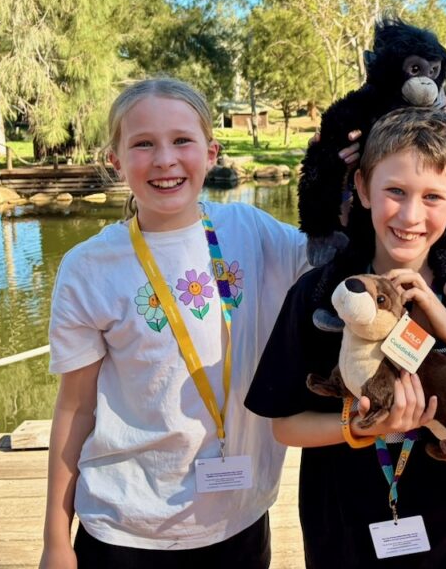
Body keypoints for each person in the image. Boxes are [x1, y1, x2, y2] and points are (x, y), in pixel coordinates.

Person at [39, 77, 352, 568]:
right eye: (143, 144)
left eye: (182, 140)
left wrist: (347, 165)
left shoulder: (254, 232)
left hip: (240, 518)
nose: (165, 159)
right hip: (125, 528)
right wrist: (55, 541)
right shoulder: (88, 267)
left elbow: (352, 258)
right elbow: (75, 410)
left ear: (211, 154)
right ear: (116, 160)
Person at [246, 107, 446, 569]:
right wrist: (360, 427)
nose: (411, 215)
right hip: (343, 545)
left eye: (433, 197)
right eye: (395, 191)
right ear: (362, 188)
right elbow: (285, 425)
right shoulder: (321, 293)